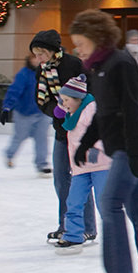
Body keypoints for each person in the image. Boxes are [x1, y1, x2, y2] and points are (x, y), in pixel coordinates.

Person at [67, 8, 138, 273]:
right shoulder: (98, 67)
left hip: (134, 145)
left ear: (97, 37)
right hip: (127, 145)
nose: (78, 49)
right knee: (137, 207)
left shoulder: (121, 63)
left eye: (81, 43)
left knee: (110, 202)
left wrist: (136, 154)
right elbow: (104, 111)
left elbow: (132, 109)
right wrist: (87, 141)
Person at [31, 29, 93, 245]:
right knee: (61, 178)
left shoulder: (73, 65)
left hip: (81, 131)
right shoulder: (43, 71)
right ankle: (66, 224)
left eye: (41, 54)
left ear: (51, 50)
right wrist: (55, 111)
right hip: (61, 131)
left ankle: (87, 227)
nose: (38, 59)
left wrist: (73, 111)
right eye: (35, 54)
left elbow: (89, 93)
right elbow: (41, 100)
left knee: (82, 177)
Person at [53, 74, 108, 254]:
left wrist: (94, 151)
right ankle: (74, 235)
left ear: (78, 99)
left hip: (100, 165)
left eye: (67, 100)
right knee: (74, 201)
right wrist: (62, 107)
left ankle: (114, 236)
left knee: (104, 203)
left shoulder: (90, 110)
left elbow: (101, 133)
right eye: (63, 100)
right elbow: (60, 116)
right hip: (80, 167)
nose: (64, 103)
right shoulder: (73, 112)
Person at [2, 54, 51, 173]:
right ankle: (9, 154)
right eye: (34, 58)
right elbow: (14, 91)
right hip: (24, 112)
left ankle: (42, 164)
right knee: (19, 136)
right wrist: (7, 107)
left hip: (42, 112)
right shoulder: (23, 74)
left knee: (42, 138)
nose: (36, 61)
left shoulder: (47, 73)